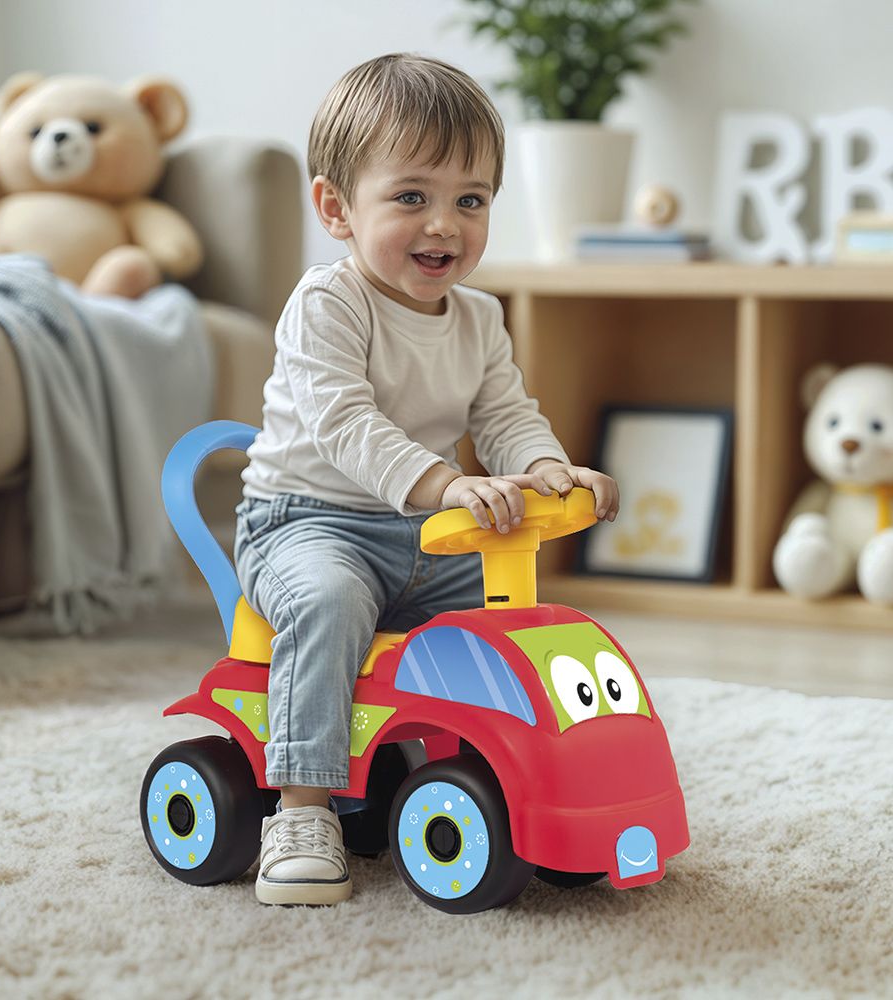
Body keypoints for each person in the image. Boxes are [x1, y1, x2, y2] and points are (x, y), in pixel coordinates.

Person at [234, 52, 619, 906]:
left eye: (469, 201)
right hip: (305, 523)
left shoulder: (480, 317)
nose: (443, 224)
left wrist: (546, 467)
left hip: (424, 533)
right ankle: (301, 809)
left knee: (510, 625)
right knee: (329, 601)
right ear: (336, 207)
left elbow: (506, 414)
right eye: (411, 196)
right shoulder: (329, 303)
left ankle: (505, 781)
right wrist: (444, 484)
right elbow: (344, 424)